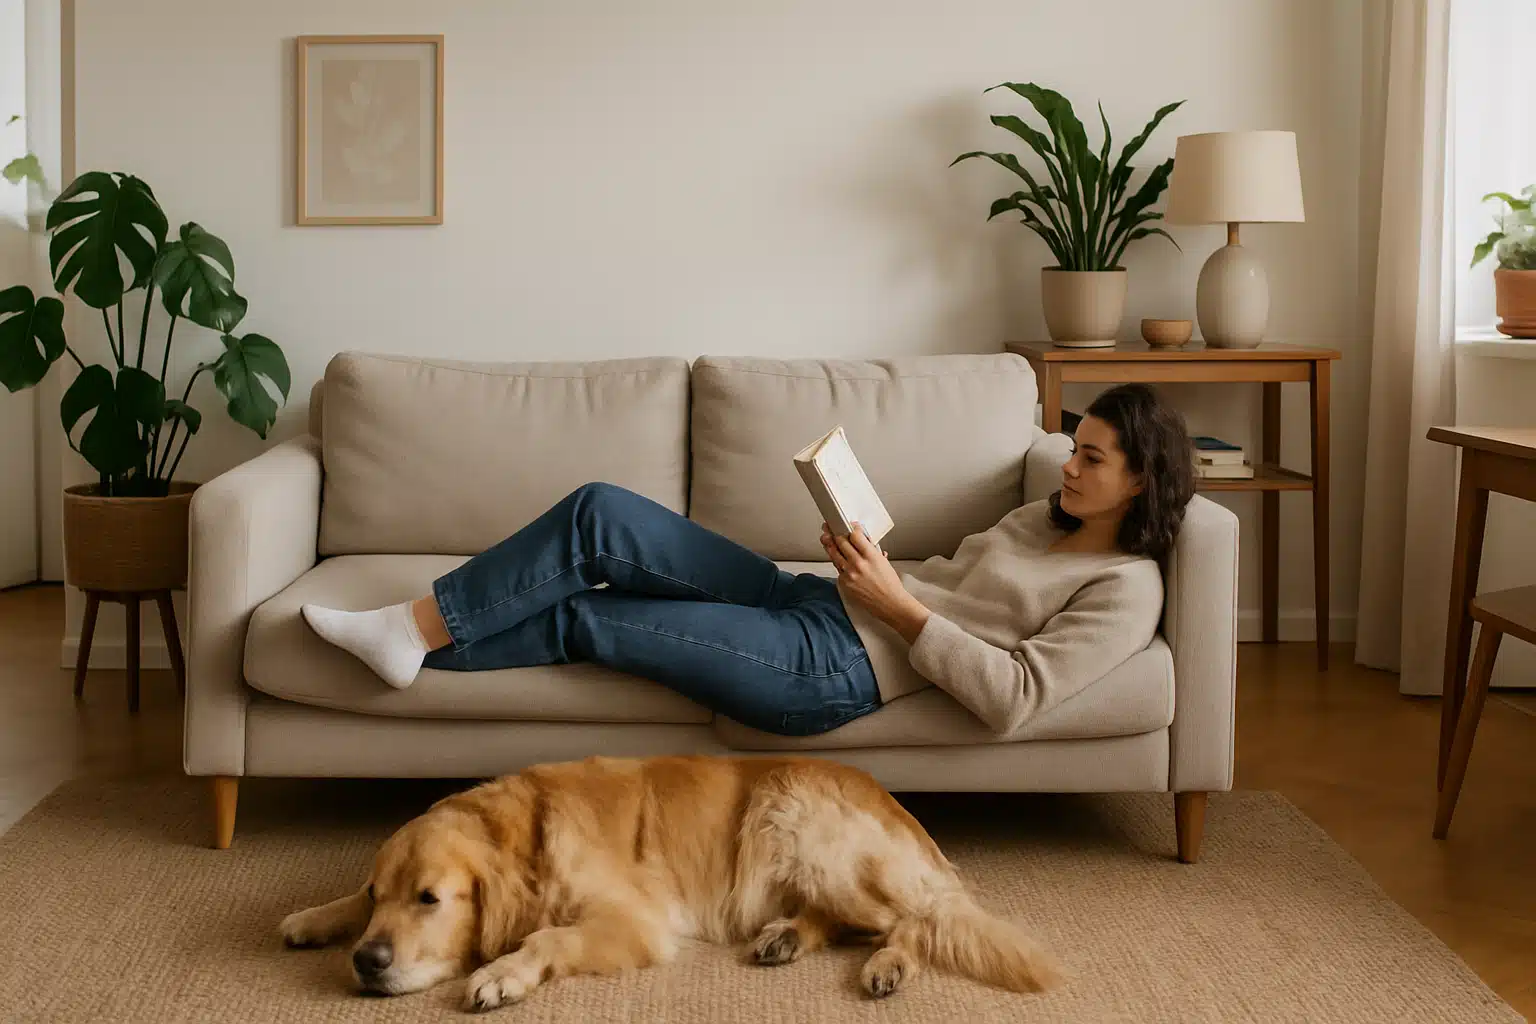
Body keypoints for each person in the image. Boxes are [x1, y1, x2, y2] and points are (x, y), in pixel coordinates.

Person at [302, 382, 1195, 738]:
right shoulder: (1046, 520)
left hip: (833, 670)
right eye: (1074, 448)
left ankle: (403, 644)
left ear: (1141, 480)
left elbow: (1013, 698)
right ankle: (412, 630)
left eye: (1091, 459)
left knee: (591, 617)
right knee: (599, 514)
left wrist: (896, 606)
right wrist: (872, 559)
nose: (1068, 466)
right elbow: (959, 589)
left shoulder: (1124, 588)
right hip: (818, 604)